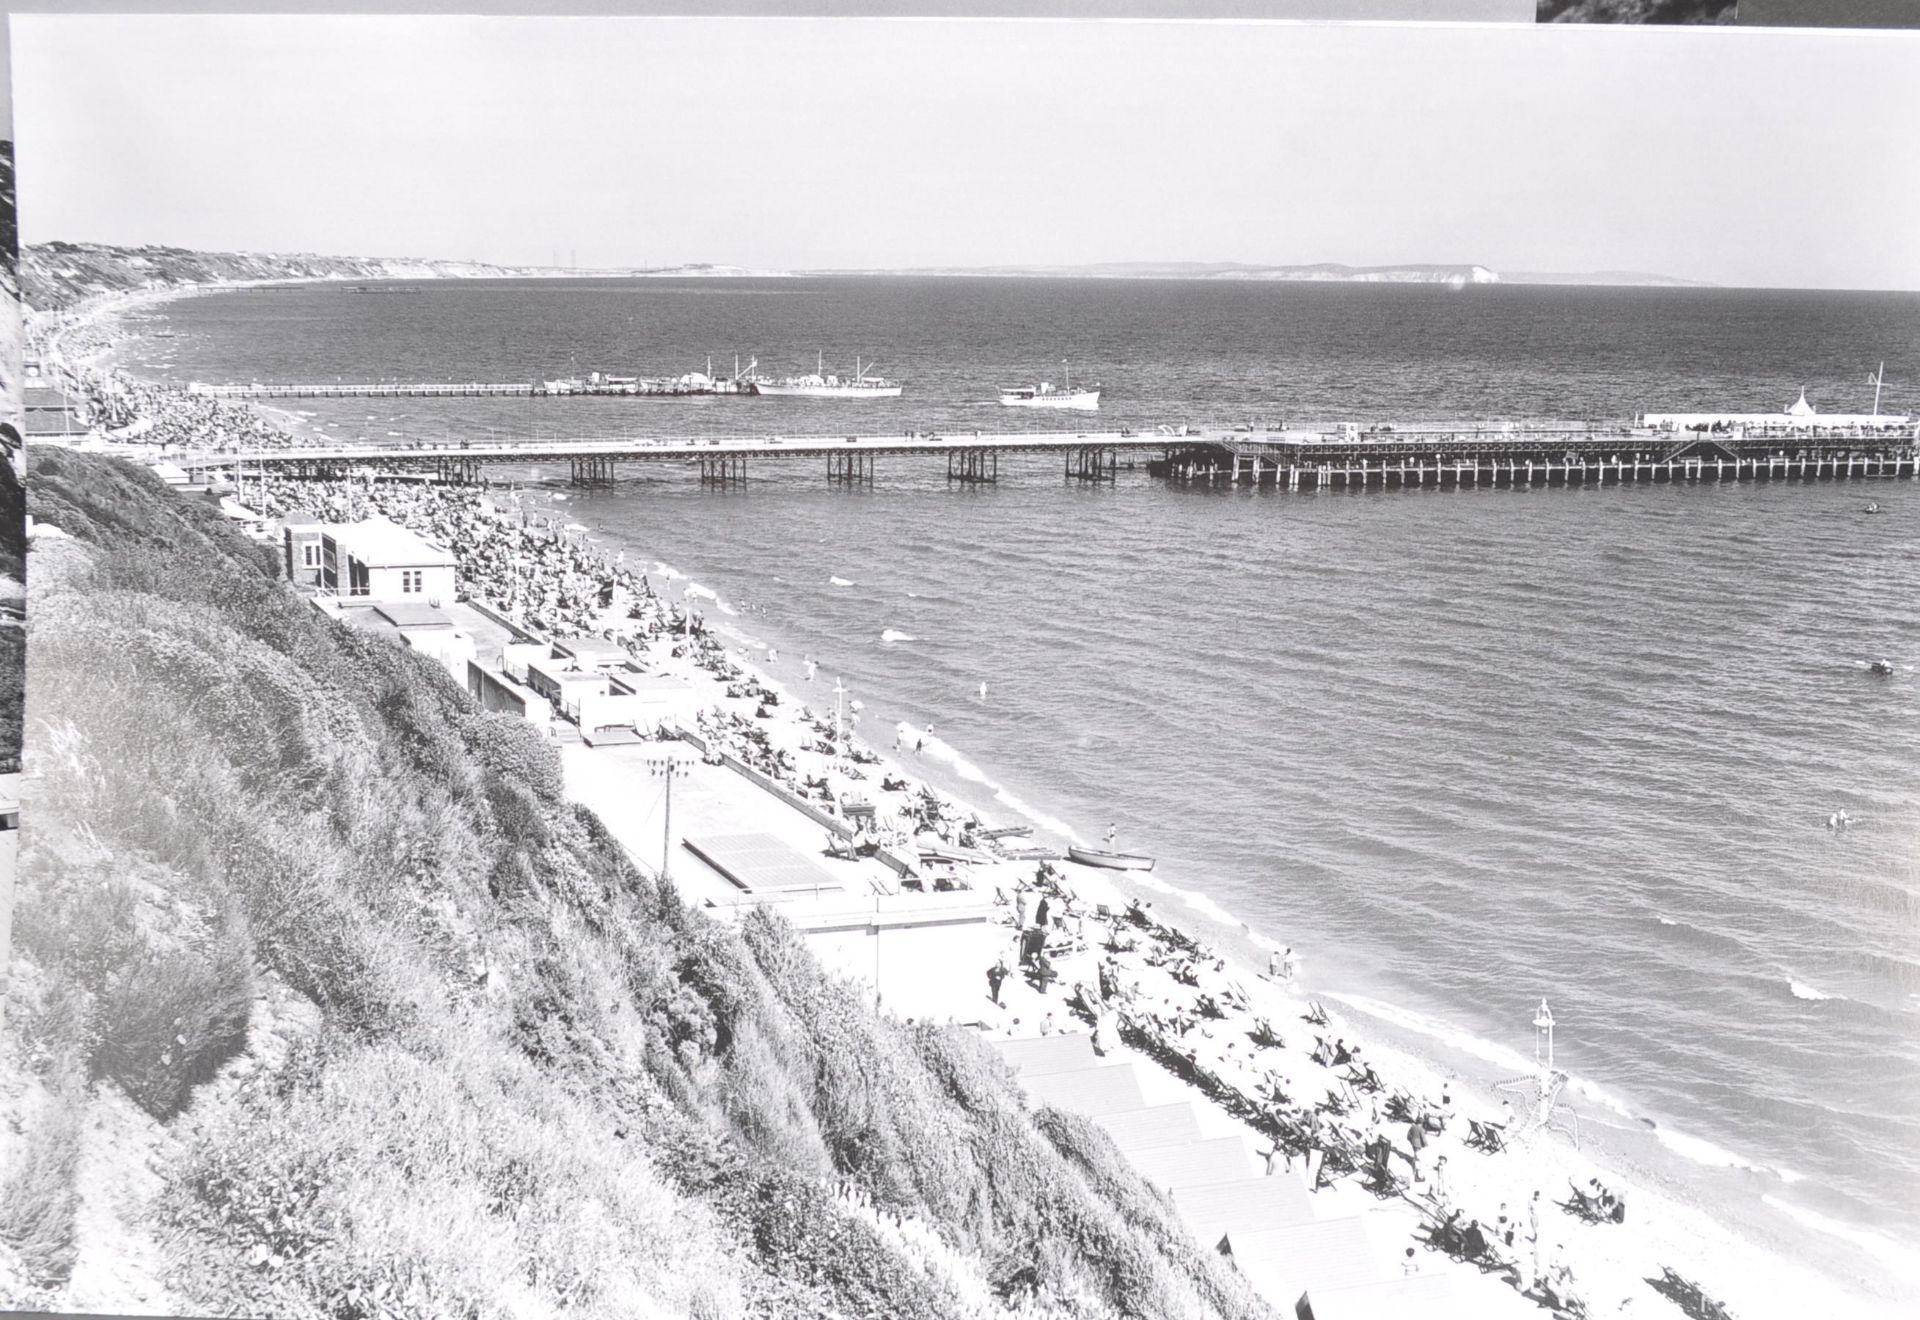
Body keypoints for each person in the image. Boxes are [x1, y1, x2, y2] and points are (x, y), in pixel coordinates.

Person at [1406, 1116, 1428, 1182]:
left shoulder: (1412, 1127)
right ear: (1421, 1123)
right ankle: (1418, 1175)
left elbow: (1408, 1136)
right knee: (1418, 1159)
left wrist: (1411, 1140)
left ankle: (1414, 1165)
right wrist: (1425, 1144)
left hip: (1413, 1143)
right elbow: (1423, 1138)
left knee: (1415, 1154)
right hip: (1418, 1144)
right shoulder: (1421, 1129)